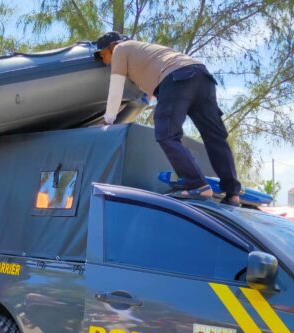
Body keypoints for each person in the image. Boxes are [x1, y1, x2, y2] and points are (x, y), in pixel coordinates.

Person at [96, 31, 242, 206]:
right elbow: (147, 97)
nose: (104, 61)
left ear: (112, 46)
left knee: (166, 134)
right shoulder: (144, 53)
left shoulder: (120, 49)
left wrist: (109, 119)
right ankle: (233, 193)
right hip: (202, 76)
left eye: (103, 55)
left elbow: (116, 88)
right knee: (214, 137)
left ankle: (197, 185)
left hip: (177, 78)